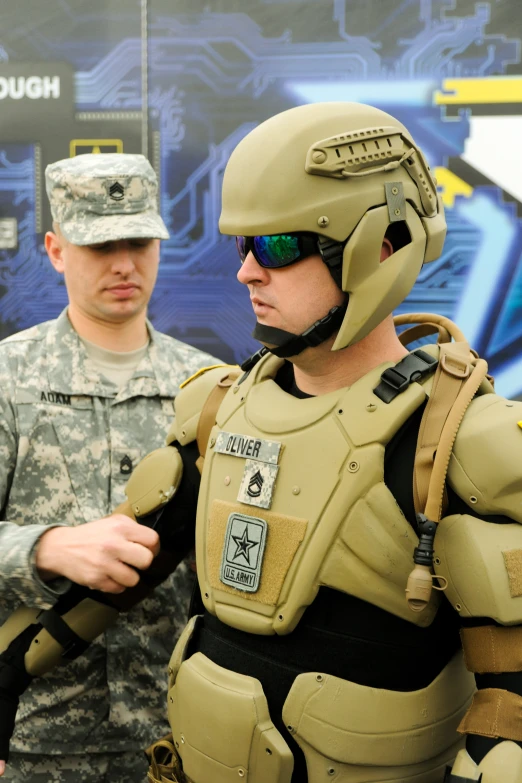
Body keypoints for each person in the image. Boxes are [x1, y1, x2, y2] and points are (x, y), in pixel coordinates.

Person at [2, 105, 522, 783]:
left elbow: (507, 715)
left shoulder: (462, 443)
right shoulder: (219, 408)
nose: (247, 272)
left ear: (382, 245)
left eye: (277, 247)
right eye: (242, 246)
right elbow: (117, 578)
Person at [0, 153, 217, 783]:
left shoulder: (210, 391)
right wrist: (46, 548)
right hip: (35, 741)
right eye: (99, 244)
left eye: (139, 241)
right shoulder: (11, 379)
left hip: (176, 737)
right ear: (56, 249)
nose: (124, 264)